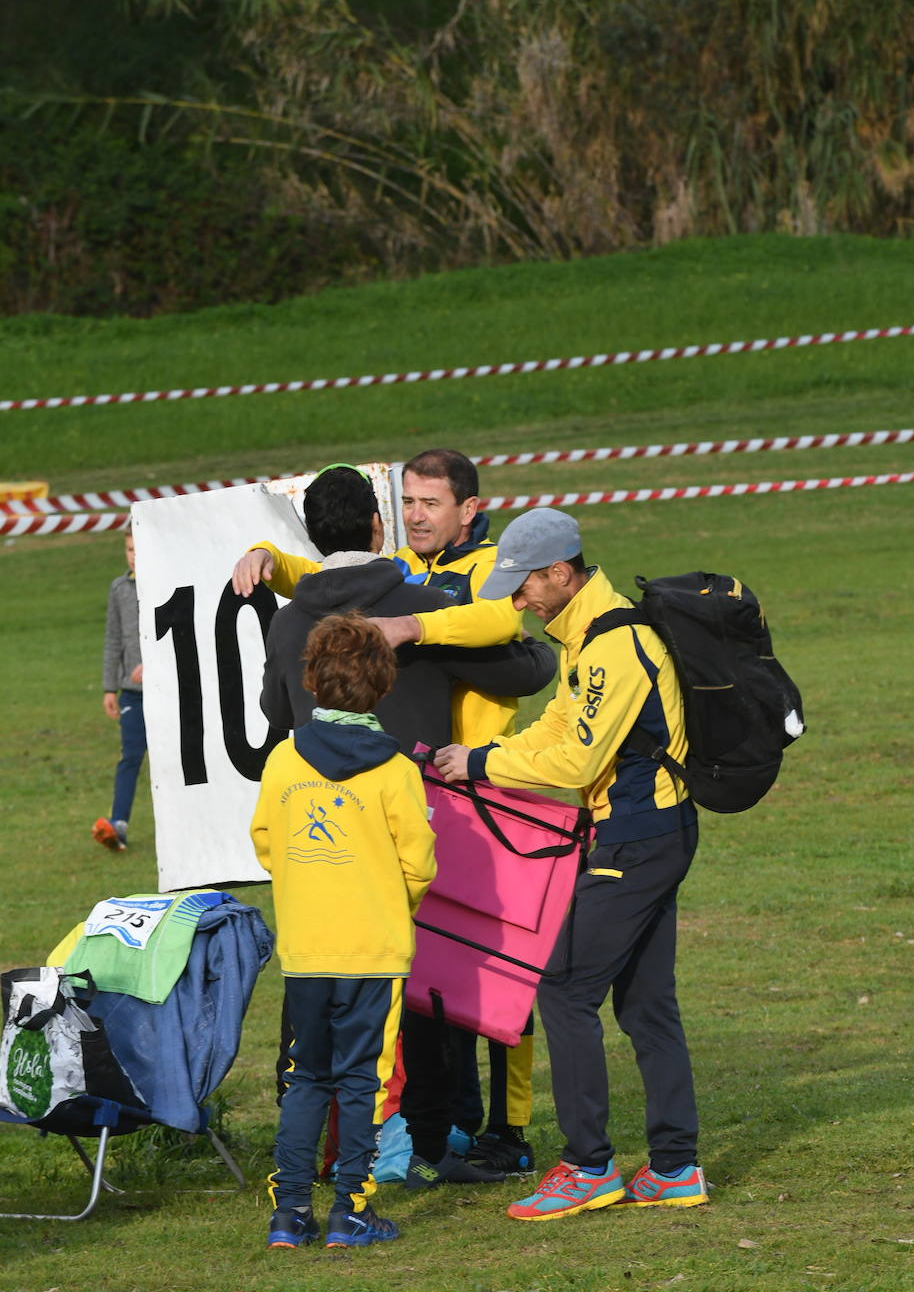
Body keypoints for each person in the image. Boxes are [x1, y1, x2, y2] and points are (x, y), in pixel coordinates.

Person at [236, 450, 545, 1176]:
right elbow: (528, 669)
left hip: (316, 851)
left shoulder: (291, 624)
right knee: (423, 986)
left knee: (319, 1012)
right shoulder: (424, 607)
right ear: (382, 525)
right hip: (411, 816)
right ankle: (429, 1138)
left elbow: (274, 717)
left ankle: (318, 1160)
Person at [433, 507, 709, 1220]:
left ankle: (589, 1164)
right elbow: (559, 726)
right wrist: (485, 763)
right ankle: (676, 1167)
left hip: (637, 837)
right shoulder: (587, 633)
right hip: (648, 832)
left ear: (561, 573)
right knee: (646, 1004)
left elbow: (579, 758)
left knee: (560, 988)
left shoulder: (614, 643)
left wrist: (485, 760)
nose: (518, 600)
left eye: (524, 586)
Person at [252, 613, 437, 1249]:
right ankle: (350, 1211)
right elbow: (420, 864)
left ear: (310, 680)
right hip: (374, 948)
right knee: (363, 1081)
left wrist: (309, 886)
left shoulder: (283, 760)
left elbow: (265, 843)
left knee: (307, 1077)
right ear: (384, 685)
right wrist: (386, 899)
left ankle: (289, 1213)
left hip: (307, 948)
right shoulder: (396, 771)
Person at [92, 523, 146, 852]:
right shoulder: (118, 589)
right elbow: (113, 639)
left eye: (139, 550)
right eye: (129, 550)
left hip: (167, 692)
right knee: (130, 757)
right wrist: (109, 687)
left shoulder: (166, 584)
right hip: (131, 694)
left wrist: (156, 665)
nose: (134, 557)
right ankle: (119, 825)